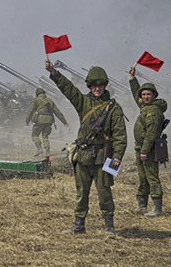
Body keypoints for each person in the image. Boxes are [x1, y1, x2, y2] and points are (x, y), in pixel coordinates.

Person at [46, 60, 127, 234]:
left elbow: (120, 136)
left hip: (102, 157)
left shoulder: (114, 109)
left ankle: (109, 226)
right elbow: (68, 90)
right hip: (83, 155)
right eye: (94, 85)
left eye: (100, 85)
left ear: (105, 85)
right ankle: (79, 225)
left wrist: (117, 156)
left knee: (104, 191)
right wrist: (54, 73)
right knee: (81, 192)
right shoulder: (83, 102)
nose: (97, 88)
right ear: (90, 86)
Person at [128, 67, 167, 217]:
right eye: (143, 94)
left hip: (148, 149)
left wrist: (144, 151)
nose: (145, 97)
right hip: (141, 148)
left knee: (151, 177)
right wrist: (133, 79)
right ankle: (142, 204)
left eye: (148, 94)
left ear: (154, 95)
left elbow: (151, 134)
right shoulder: (146, 106)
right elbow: (136, 95)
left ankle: (157, 208)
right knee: (142, 177)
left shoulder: (153, 112)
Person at [25, 87, 69, 156]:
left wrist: (27, 121)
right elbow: (57, 112)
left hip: (39, 121)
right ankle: (47, 151)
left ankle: (39, 149)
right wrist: (64, 122)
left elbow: (30, 111)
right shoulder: (50, 101)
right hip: (49, 121)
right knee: (45, 136)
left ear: (37, 94)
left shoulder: (36, 101)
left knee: (34, 135)